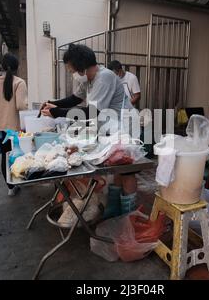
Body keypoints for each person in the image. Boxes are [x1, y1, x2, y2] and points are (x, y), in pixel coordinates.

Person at [40, 44, 138, 216]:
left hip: (125, 127)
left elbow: (93, 112)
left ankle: (129, 216)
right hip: (111, 129)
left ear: (83, 67)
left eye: (72, 70)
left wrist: (56, 112)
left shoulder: (104, 77)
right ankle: (114, 208)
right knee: (117, 169)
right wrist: (54, 103)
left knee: (127, 171)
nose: (73, 74)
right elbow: (74, 99)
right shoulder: (88, 80)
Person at [0, 53, 28, 197]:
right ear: (17, 67)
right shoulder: (19, 82)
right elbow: (21, 106)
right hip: (15, 129)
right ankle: (19, 181)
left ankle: (10, 187)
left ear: (2, 66)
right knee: (19, 156)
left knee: (6, 157)